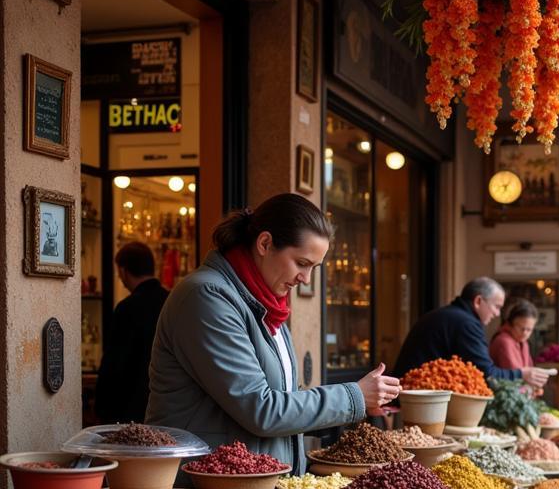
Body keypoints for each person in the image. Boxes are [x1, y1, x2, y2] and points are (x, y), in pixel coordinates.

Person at [147, 193, 400, 472]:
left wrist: (356, 407)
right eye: (302, 263)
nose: (306, 279)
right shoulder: (206, 297)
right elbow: (262, 409)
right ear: (265, 243)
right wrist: (354, 397)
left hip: (253, 488)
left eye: (314, 268)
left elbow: (285, 397)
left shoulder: (265, 303)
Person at [393, 278, 550, 389]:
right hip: (415, 395)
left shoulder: (450, 315)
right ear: (478, 301)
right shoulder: (466, 324)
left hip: (410, 390)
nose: (497, 314)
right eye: (496, 306)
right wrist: (522, 374)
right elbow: (487, 374)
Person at [95, 241, 169, 424]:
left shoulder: (127, 308)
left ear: (122, 271)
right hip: (165, 404)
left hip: (131, 408)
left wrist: (102, 409)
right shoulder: (171, 301)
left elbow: (115, 364)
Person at [489, 299, 538, 372]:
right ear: (510, 324)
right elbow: (516, 376)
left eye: (529, 329)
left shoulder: (523, 343)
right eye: (521, 328)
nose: (525, 333)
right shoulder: (504, 341)